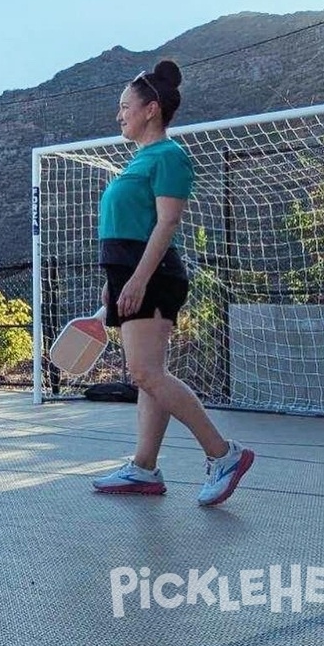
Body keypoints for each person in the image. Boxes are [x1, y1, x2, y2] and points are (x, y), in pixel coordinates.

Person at [90, 60, 254, 506]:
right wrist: (115, 282)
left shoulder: (170, 156)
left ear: (151, 109)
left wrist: (138, 279)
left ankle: (224, 455)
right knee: (149, 377)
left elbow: (166, 224)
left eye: (125, 106)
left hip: (156, 279)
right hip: (131, 277)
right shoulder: (140, 160)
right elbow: (129, 228)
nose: (119, 115)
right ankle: (143, 468)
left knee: (146, 372)